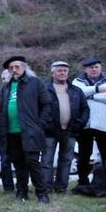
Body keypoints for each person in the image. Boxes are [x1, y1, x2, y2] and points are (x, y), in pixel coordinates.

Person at [0, 56, 53, 203]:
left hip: (30, 131)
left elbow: (47, 105)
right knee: (18, 164)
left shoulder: (35, 83)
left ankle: (42, 194)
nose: (14, 70)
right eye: (11, 68)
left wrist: (38, 124)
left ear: (24, 67)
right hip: (11, 133)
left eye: (17, 67)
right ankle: (22, 193)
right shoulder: (6, 87)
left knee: (33, 163)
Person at [43, 61, 90, 193]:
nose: (62, 73)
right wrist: (44, 124)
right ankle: (46, 187)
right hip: (49, 132)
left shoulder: (76, 90)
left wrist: (80, 123)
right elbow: (38, 108)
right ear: (52, 73)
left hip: (70, 131)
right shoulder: (44, 89)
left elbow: (85, 109)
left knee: (66, 160)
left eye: (65, 70)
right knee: (46, 160)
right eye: (59, 70)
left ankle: (61, 187)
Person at [72, 58, 106, 185]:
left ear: (101, 68)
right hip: (85, 125)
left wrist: (90, 95)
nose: (93, 69)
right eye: (90, 67)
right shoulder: (77, 81)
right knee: (84, 155)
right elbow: (78, 94)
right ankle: (83, 181)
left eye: (96, 67)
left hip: (104, 125)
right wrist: (98, 90)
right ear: (85, 69)